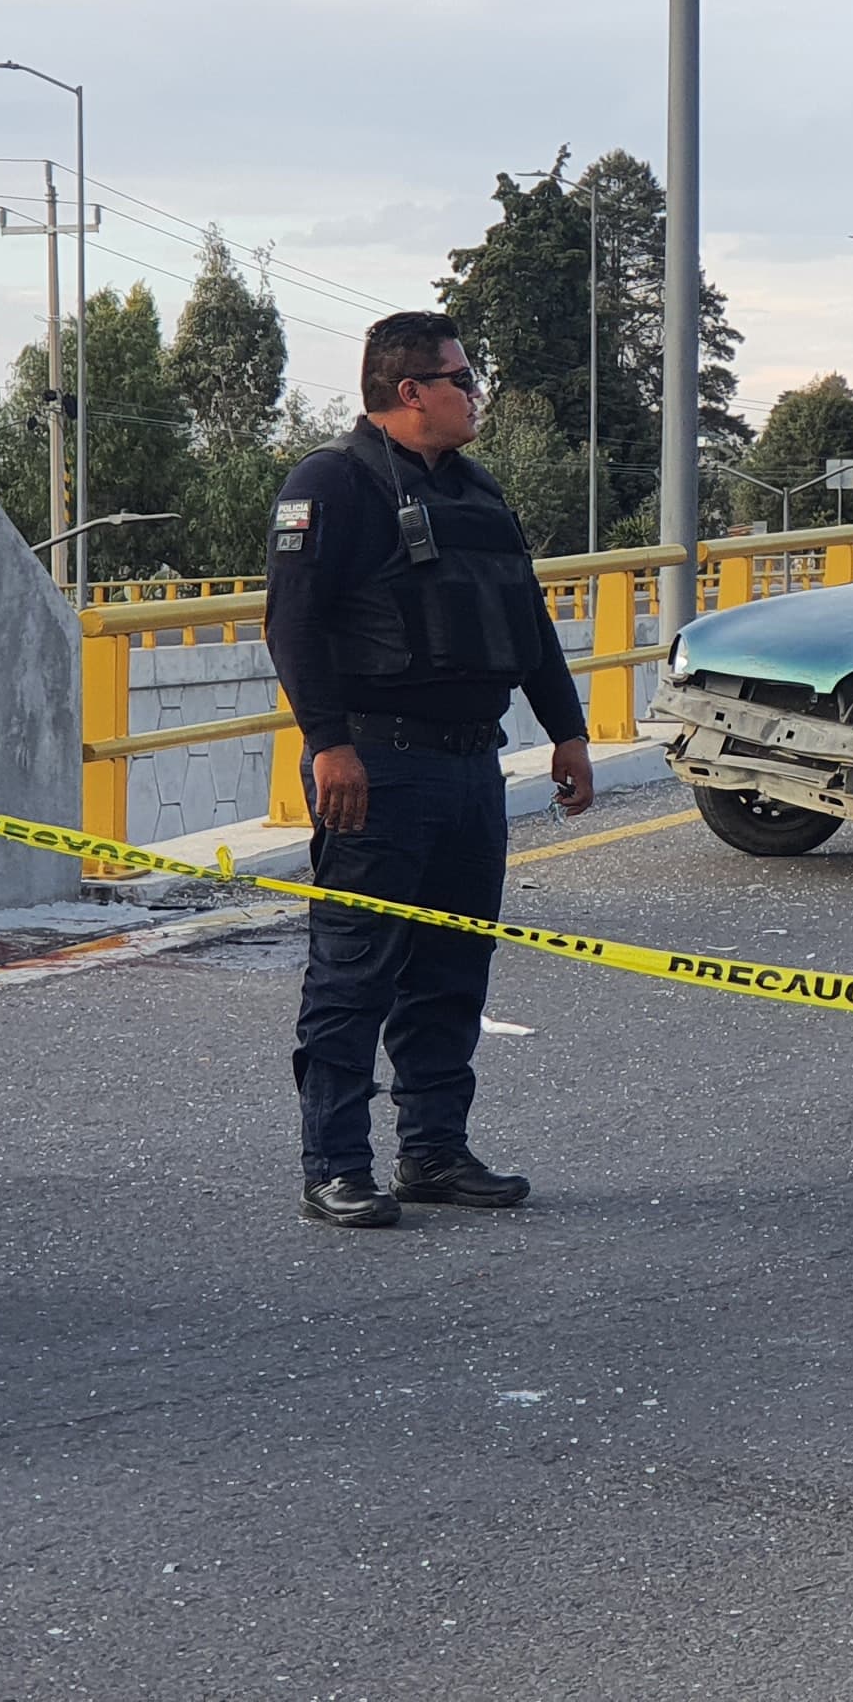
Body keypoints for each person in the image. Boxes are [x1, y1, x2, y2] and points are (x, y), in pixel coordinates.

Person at [266, 311, 594, 1231]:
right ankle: (335, 1164)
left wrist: (567, 731)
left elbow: (524, 618)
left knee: (453, 966)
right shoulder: (330, 483)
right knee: (355, 969)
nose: (474, 394)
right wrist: (328, 743)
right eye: (462, 379)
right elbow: (290, 622)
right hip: (377, 762)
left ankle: (434, 1154)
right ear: (410, 392)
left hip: (468, 767)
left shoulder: (479, 492)